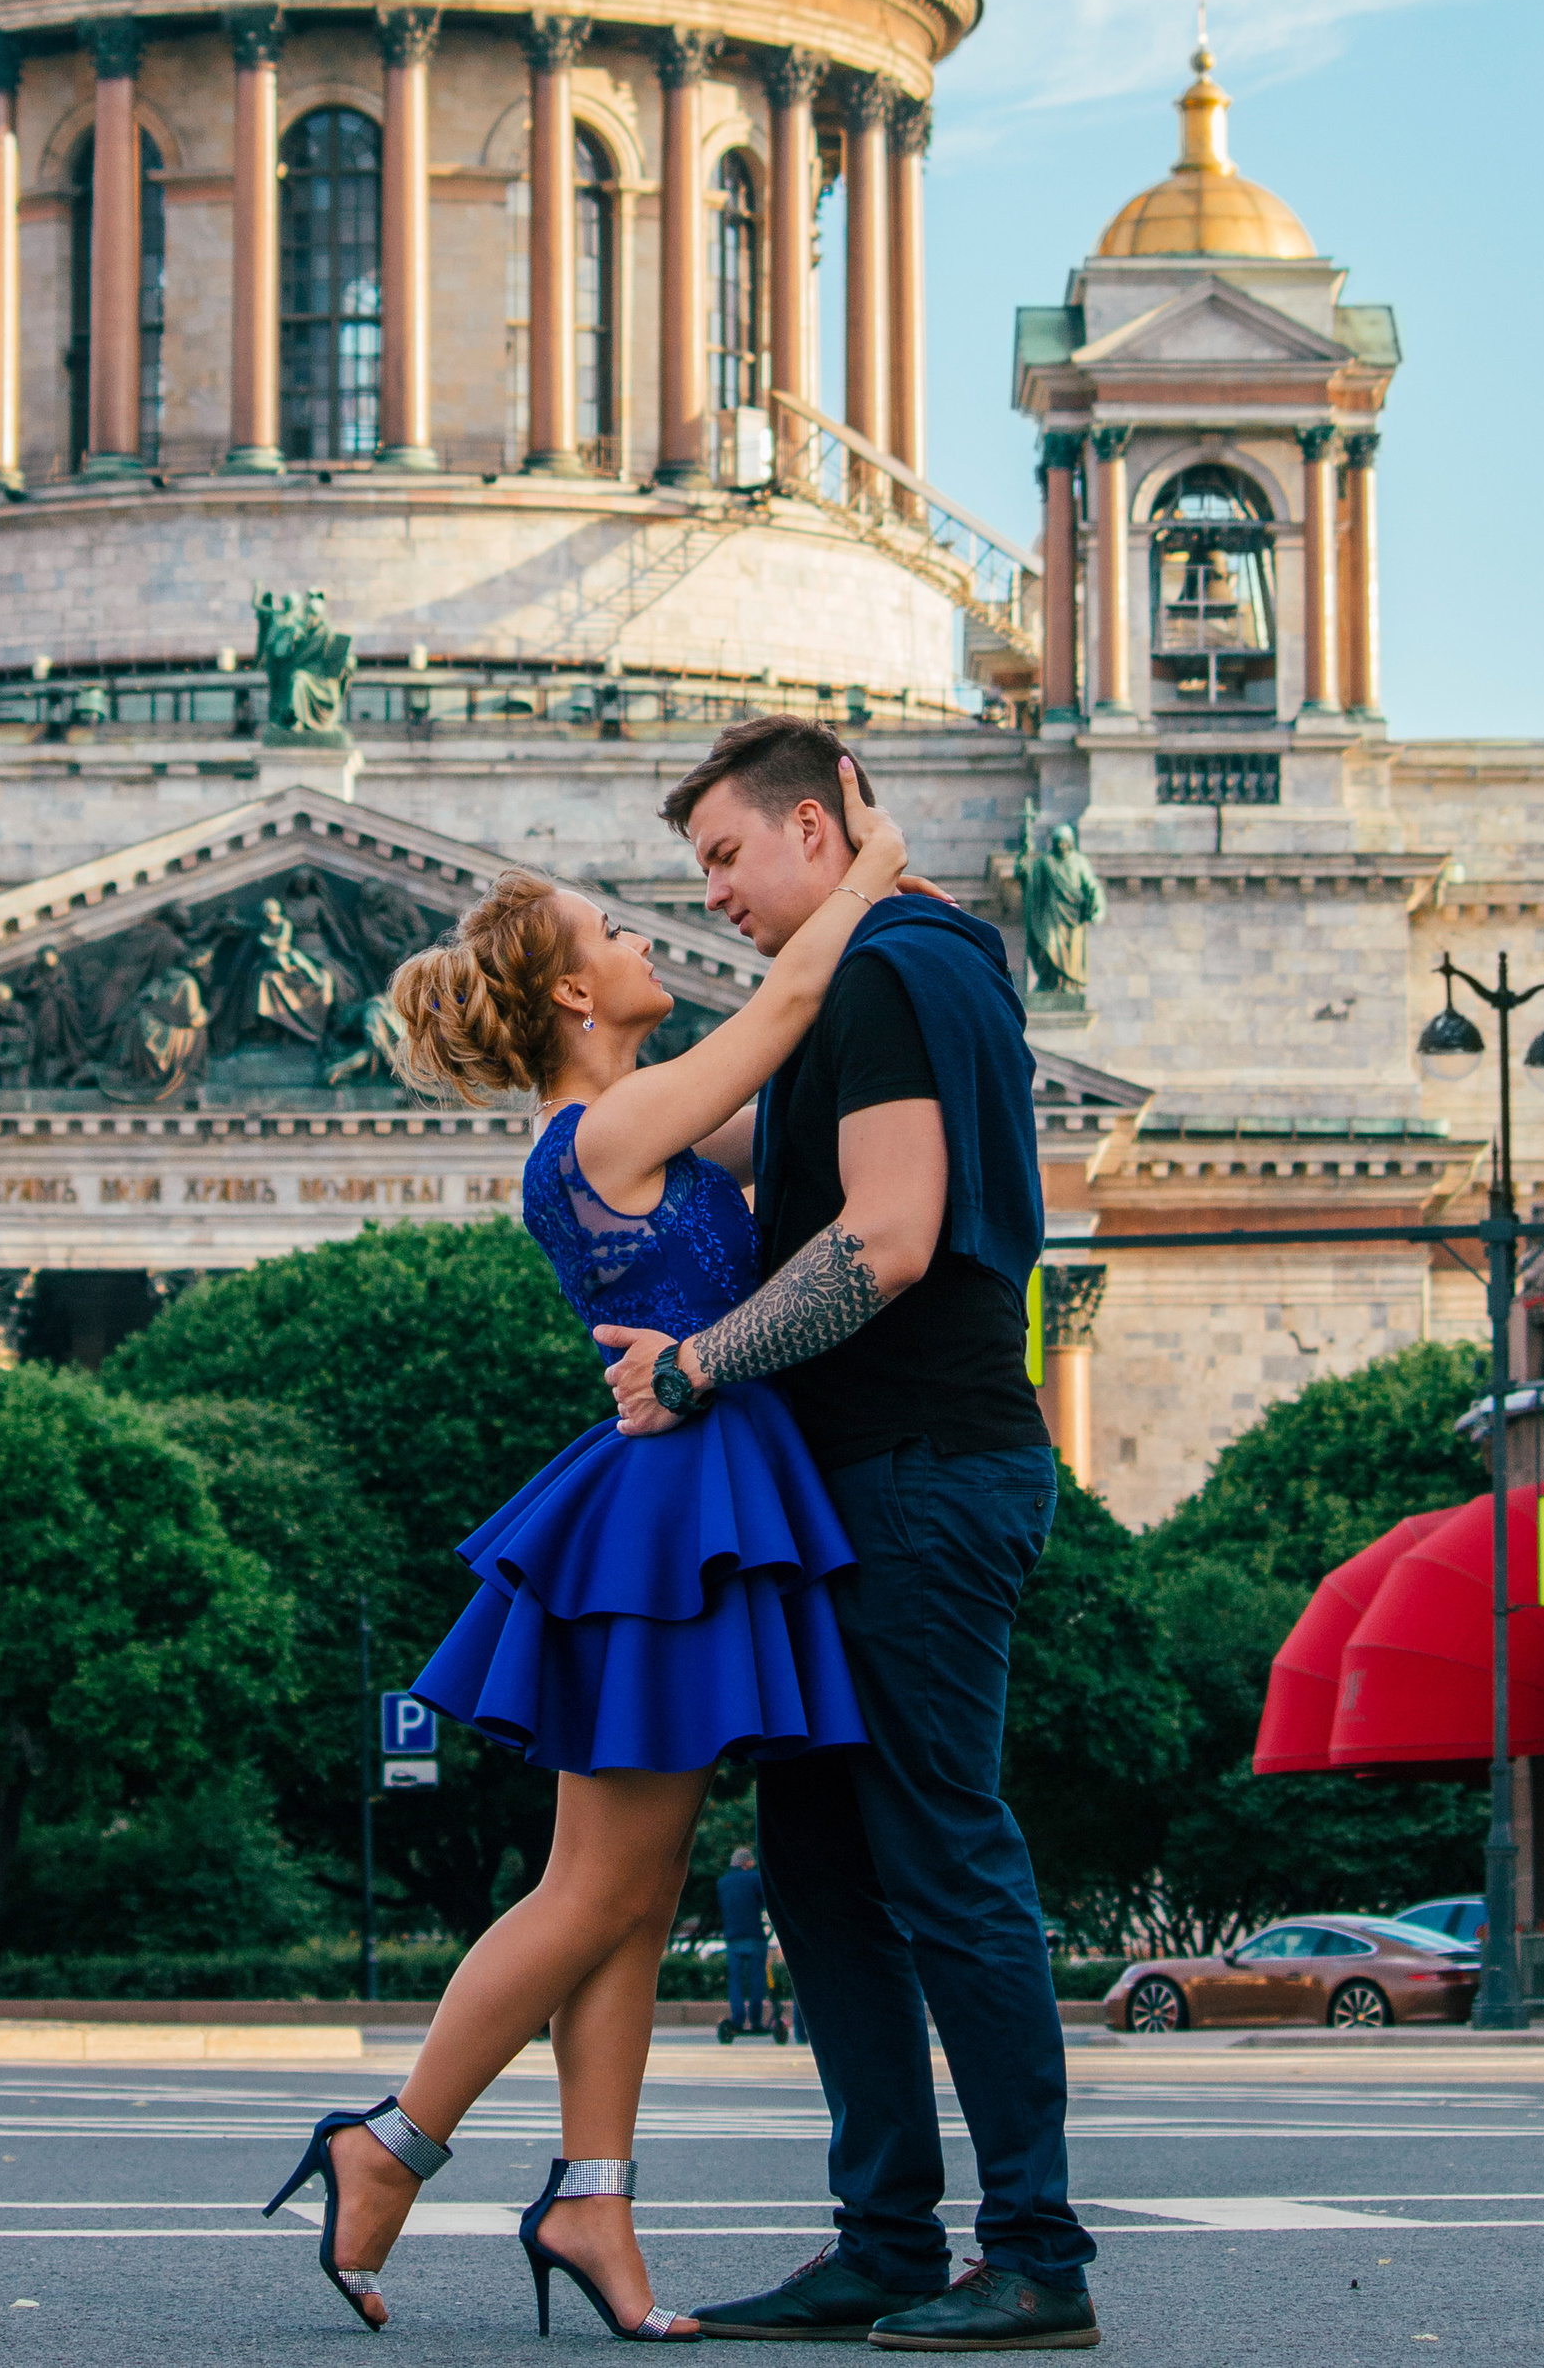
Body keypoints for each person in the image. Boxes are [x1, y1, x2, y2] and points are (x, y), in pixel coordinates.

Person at [264, 759, 910, 2341]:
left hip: (670, 1501)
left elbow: (796, 1113)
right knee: (593, 1890)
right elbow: (790, 1007)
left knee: (623, 1884)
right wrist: (872, 854)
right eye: (617, 927)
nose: (652, 940)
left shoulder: (636, 1130)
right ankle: (392, 2141)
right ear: (570, 990)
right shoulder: (609, 1121)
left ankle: (595, 2202)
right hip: (673, 1506)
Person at [601, 715, 1099, 2356]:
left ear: (819, 824)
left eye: (730, 857)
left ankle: (1035, 2252)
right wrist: (617, 1070)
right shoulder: (866, 982)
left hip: (918, 1473)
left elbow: (878, 1239)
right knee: (819, 1869)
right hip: (854, 1485)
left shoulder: (895, 968)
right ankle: (884, 2238)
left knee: (944, 1855)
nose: (718, 895)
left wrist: (693, 1362)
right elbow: (768, 1150)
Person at [716, 1843, 769, 2040]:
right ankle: (756, 2021)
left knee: (736, 1981)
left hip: (732, 1938)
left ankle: (737, 2020)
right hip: (755, 1936)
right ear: (747, 1862)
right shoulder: (755, 1878)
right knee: (756, 1979)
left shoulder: (722, 1883)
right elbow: (764, 1902)